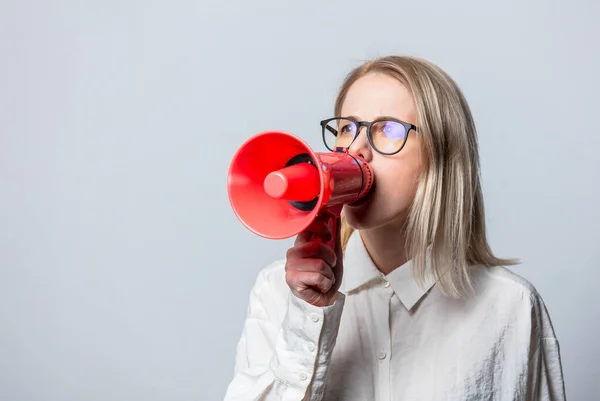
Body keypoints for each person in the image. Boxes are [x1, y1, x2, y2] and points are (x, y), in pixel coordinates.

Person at [223, 55, 566, 401]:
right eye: (347, 128)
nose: (355, 149)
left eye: (387, 129)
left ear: (441, 156)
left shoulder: (511, 306)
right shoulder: (280, 293)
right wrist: (309, 316)